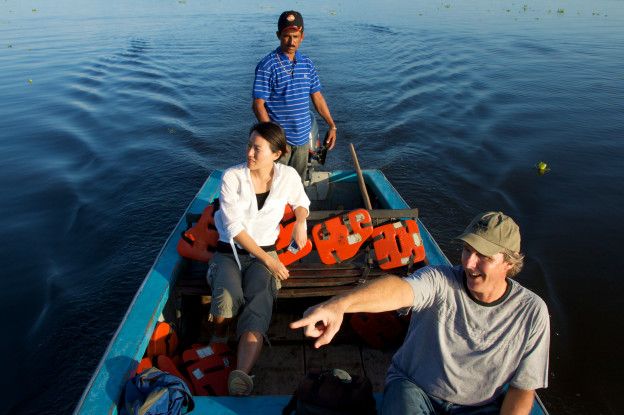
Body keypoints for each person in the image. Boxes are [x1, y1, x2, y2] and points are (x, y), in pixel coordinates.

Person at [291, 212, 550, 415]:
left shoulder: (531, 312)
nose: (469, 263)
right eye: (467, 250)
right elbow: (399, 289)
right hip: (414, 388)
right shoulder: (440, 280)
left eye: (483, 256)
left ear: (509, 263)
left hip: (479, 406)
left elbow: (522, 388)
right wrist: (340, 304)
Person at [209, 122, 310, 396]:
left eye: (257, 148)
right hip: (230, 250)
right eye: (249, 146)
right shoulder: (232, 177)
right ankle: (219, 334)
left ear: (276, 154)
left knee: (259, 301)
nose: (249, 153)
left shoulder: (288, 176)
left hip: (265, 252)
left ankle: (241, 375)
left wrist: (301, 221)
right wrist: (271, 261)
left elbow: (301, 202)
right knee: (227, 297)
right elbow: (234, 230)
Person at [252, 10, 337, 179]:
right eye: (286, 36)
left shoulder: (307, 63)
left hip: (303, 140)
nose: (291, 42)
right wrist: (273, 138)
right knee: (274, 185)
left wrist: (331, 125)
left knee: (296, 183)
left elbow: (317, 97)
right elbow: (258, 104)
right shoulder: (267, 65)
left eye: (295, 36)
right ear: (278, 35)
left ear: (302, 36)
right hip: (279, 142)